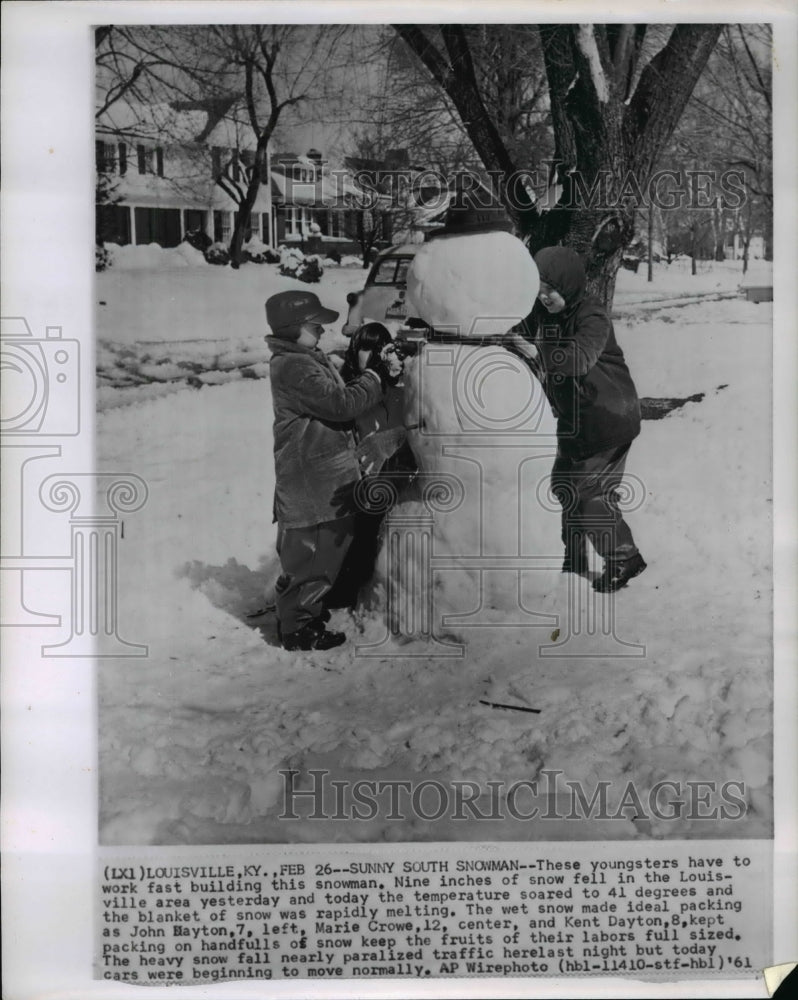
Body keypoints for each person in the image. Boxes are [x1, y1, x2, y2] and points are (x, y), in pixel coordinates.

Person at [507, 246, 646, 593]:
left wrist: (537, 353)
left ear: (567, 284)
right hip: (577, 421)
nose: (544, 296)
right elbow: (515, 331)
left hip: (609, 417)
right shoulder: (545, 313)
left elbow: (579, 360)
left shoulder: (592, 316)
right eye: (538, 289)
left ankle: (624, 558)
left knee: (590, 491)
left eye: (549, 288)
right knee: (563, 485)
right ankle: (574, 557)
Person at [265, 290, 385, 650]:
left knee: (316, 553)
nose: (322, 331)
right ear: (294, 329)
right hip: (311, 481)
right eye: (315, 325)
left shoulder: (302, 357)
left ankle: (303, 613)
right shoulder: (295, 366)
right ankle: (298, 628)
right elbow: (341, 404)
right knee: (313, 554)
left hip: (317, 476)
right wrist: (374, 377)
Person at [325, 322, 416, 608]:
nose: (374, 353)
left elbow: (416, 426)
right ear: (354, 351)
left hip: (393, 473)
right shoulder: (346, 389)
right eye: (366, 347)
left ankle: (348, 590)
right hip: (355, 473)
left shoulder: (401, 385)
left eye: (380, 347)